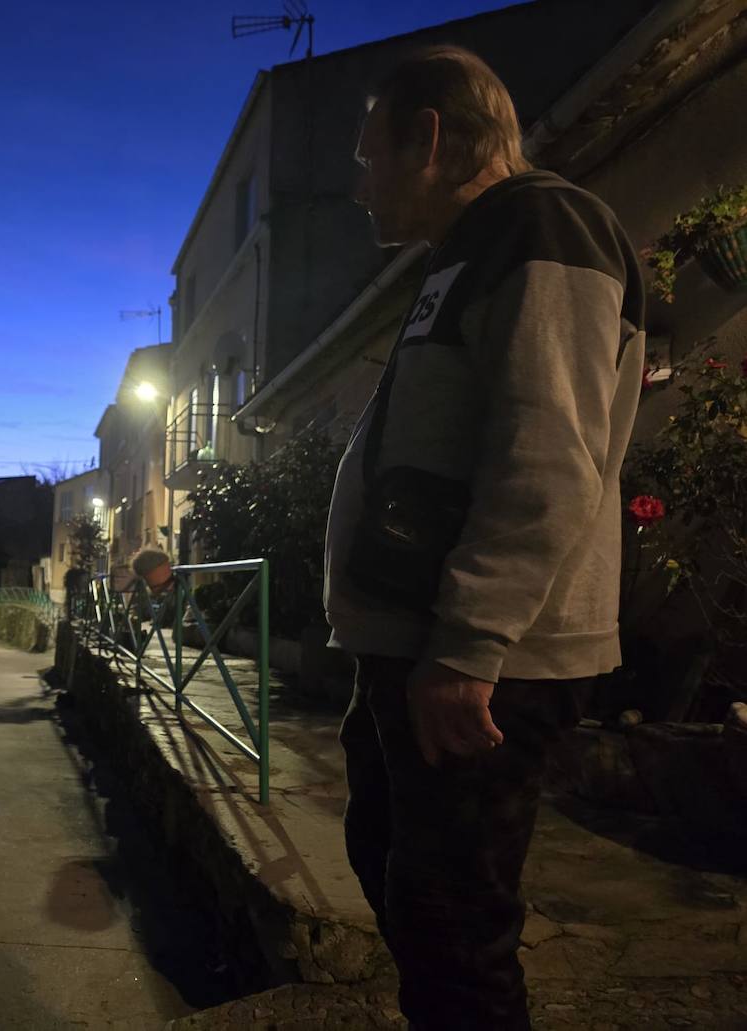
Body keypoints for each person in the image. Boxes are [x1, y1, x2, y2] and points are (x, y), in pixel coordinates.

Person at [323, 47, 645, 1030]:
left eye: (368, 155)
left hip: (481, 657)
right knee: (410, 885)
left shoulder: (538, 227)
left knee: (454, 927)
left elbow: (546, 451)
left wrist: (470, 642)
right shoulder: (465, 254)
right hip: (425, 642)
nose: (359, 181)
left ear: (428, 138)